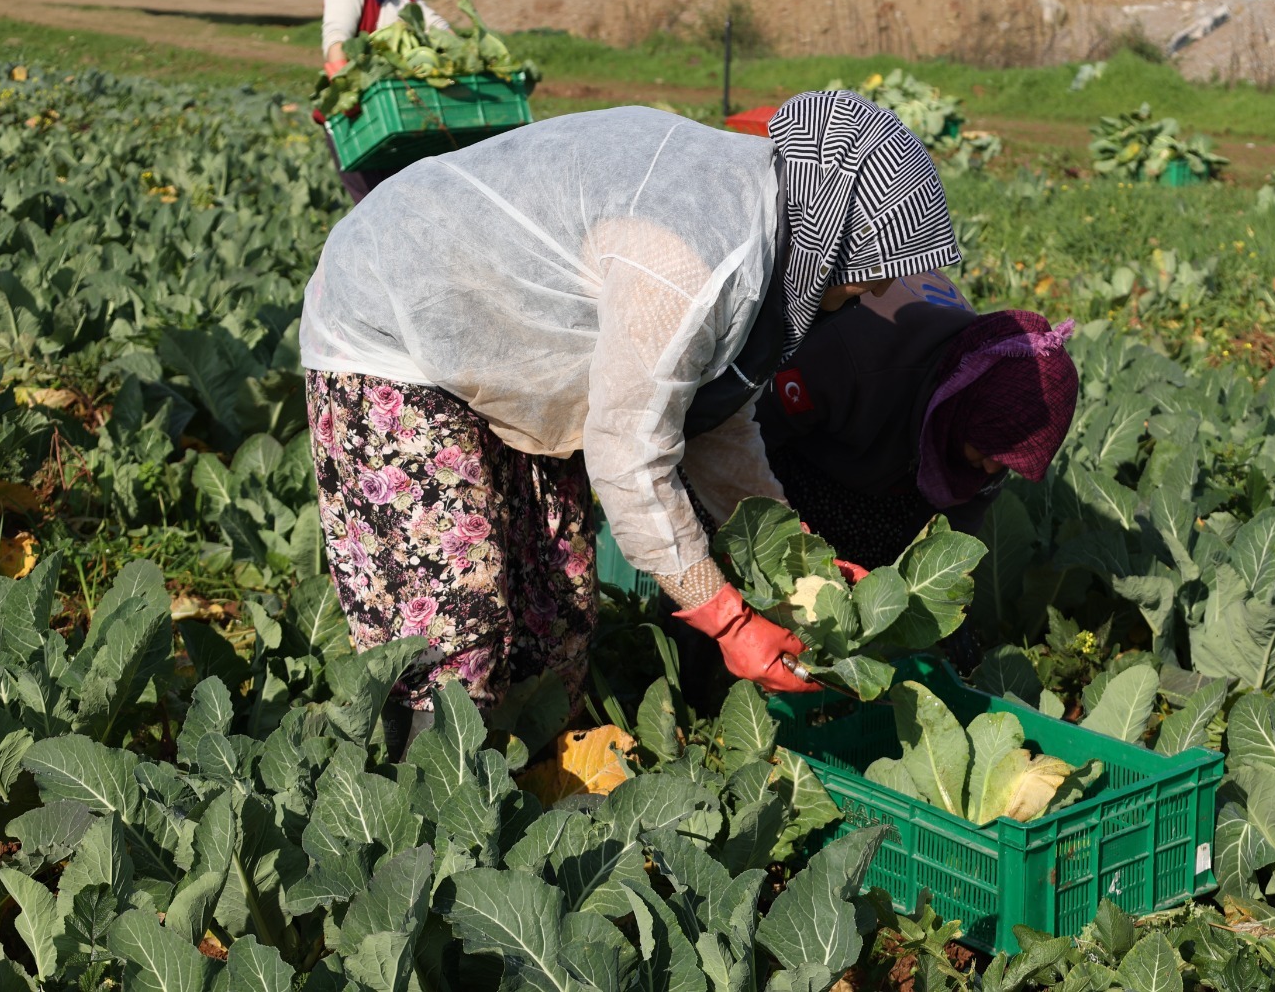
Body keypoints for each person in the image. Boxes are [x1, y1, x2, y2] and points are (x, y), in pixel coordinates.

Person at [298, 90, 961, 753]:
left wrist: (792, 556)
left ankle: (517, 787)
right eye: (877, 264)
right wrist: (729, 623)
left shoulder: (760, 224)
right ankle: (426, 796)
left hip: (503, 338)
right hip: (390, 314)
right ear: (835, 225)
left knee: (554, 615)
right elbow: (629, 458)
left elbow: (715, 424)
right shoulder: (694, 256)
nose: (880, 288)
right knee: (455, 628)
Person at [751, 272, 1080, 570]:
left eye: (1005, 462)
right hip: (795, 451)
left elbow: (956, 536)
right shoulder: (848, 358)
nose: (993, 468)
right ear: (959, 410)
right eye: (989, 452)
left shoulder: (985, 406)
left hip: (886, 473)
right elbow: (748, 436)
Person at [318, 0, 449, 205]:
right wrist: (346, 91)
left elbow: (437, 27)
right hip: (357, 120)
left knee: (406, 205)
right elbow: (335, 41)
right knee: (374, 207)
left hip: (398, 119)